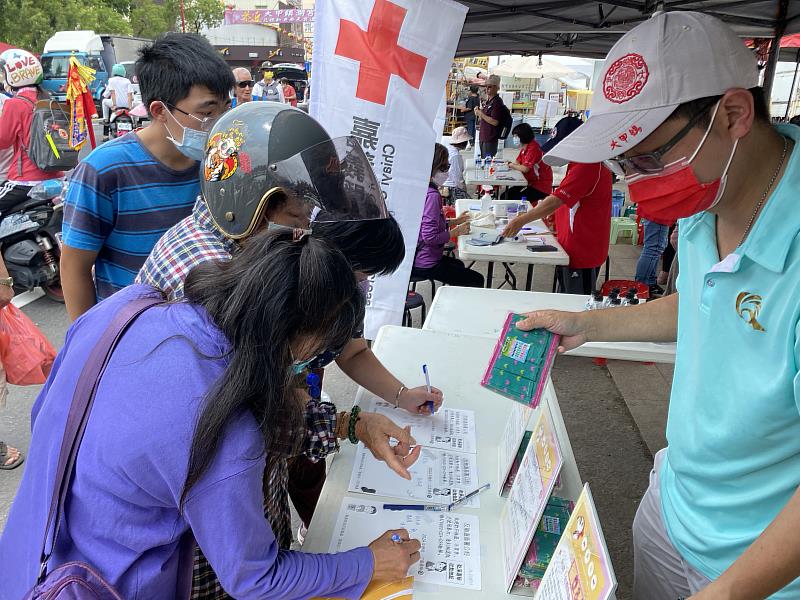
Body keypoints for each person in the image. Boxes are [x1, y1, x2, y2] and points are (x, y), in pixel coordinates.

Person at [519, 11, 800, 600]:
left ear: (733, 114)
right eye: (624, 164)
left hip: (759, 563)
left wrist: (727, 591)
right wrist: (585, 323)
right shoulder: (712, 196)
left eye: (648, 159)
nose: (633, 184)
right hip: (674, 505)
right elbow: (697, 306)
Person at [0, 231, 422, 599]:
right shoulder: (225, 427)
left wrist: (353, 424)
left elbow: (49, 416)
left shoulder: (130, 307)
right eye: (314, 350)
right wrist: (368, 563)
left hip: (30, 549)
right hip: (105, 585)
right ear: (292, 336)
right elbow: (256, 578)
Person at [137, 101, 444, 599]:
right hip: (193, 553)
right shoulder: (212, 284)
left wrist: (353, 424)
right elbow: (251, 571)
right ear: (253, 203)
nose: (306, 236)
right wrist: (362, 565)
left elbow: (274, 406)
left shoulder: (234, 252)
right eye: (298, 216)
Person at [60, 33, 233, 322]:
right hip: (133, 334)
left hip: (208, 331)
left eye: (225, 109)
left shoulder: (220, 162)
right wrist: (93, 343)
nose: (219, 123)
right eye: (207, 112)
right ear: (159, 110)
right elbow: (74, 268)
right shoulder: (104, 170)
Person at [502, 116, 611, 295]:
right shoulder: (580, 162)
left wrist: (520, 220)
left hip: (582, 247)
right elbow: (569, 198)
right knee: (565, 293)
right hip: (573, 242)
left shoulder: (588, 166)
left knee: (575, 301)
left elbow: (556, 200)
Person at [0, 49, 63, 215]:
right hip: (58, 177)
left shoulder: (15, 104)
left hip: (26, 180)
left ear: (14, 76)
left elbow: (3, 140)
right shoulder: (49, 99)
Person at [412, 143, 484, 288]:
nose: (447, 172)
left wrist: (455, 221)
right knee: (476, 279)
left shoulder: (420, 189)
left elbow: (429, 224)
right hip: (425, 263)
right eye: (444, 167)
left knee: (458, 264)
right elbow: (429, 237)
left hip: (419, 257)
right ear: (432, 168)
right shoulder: (432, 196)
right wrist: (455, 232)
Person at [506, 122, 553, 202]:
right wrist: (510, 164)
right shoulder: (525, 148)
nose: (514, 139)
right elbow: (517, 162)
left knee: (511, 198)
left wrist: (511, 165)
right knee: (506, 195)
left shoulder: (533, 148)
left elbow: (525, 169)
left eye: (516, 136)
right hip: (530, 182)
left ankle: (515, 214)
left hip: (540, 186)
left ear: (523, 136)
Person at [635, 215, 672, 296]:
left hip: (656, 212)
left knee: (655, 249)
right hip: (659, 213)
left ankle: (649, 283)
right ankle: (641, 287)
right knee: (653, 249)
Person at [474, 74, 504, 157]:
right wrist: (478, 112)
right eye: (486, 86)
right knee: (484, 161)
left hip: (490, 137)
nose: (487, 89)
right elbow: (483, 117)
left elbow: (495, 122)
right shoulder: (488, 101)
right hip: (484, 135)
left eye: (490, 87)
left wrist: (481, 114)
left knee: (488, 162)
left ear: (496, 88)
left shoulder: (497, 102)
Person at [102, 63, 133, 139]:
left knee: (104, 102)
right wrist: (130, 107)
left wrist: (114, 105)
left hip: (116, 104)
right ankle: (136, 122)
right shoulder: (127, 81)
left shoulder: (111, 80)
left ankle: (105, 119)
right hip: (127, 105)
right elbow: (130, 95)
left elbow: (110, 93)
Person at [442, 126, 471, 200]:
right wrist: (464, 190)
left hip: (445, 184)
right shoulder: (455, 156)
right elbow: (457, 179)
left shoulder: (448, 149)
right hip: (451, 188)